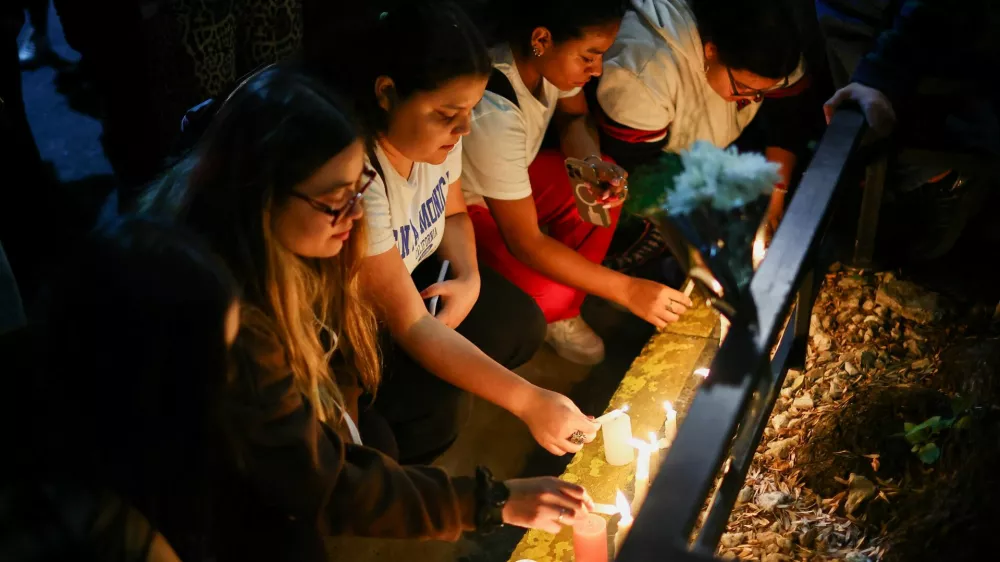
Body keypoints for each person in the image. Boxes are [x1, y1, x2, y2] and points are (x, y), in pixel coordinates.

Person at [142, 63, 594, 560]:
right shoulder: (227, 317)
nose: (357, 215)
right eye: (338, 199)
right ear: (260, 194)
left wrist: (347, 432)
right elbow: (317, 483)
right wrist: (488, 501)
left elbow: (337, 352)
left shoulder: (305, 244)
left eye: (362, 188)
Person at [326, 1, 594, 464]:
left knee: (519, 322)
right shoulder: (358, 179)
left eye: (470, 109)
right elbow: (408, 323)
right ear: (387, 93)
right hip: (363, 325)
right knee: (436, 411)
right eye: (448, 113)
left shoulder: (436, 140)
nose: (464, 127)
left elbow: (452, 214)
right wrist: (529, 401)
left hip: (421, 283)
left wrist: (469, 277)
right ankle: (389, 466)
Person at [461, 0, 693, 366]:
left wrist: (592, 165)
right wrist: (629, 291)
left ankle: (570, 297)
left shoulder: (547, 64)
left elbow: (574, 120)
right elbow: (525, 241)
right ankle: (560, 309)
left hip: (520, 174)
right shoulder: (494, 110)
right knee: (548, 297)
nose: (597, 69)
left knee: (602, 190)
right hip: (471, 205)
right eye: (589, 57)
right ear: (542, 38)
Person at [0, 215, 240, 561]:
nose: (232, 376)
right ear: (159, 385)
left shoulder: (45, 382)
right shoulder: (90, 528)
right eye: (218, 363)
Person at [594, 0, 809, 234]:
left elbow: (787, 121)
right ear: (711, 51)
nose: (754, 99)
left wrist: (775, 199)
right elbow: (640, 177)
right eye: (744, 88)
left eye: (764, 92)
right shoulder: (643, 77)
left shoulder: (774, 53)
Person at [818, 0, 998, 261]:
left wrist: (877, 75)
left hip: (938, 83)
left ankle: (945, 178)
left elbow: (931, 13)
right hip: (874, 44)